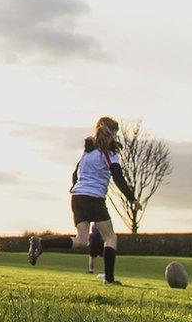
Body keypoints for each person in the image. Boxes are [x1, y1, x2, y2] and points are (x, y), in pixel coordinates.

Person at [70, 116, 137, 285]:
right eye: (115, 133)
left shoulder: (87, 151)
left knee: (81, 240)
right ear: (111, 133)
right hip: (94, 198)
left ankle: (41, 244)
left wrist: (75, 188)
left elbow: (75, 173)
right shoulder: (110, 153)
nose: (115, 137)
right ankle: (109, 279)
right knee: (111, 237)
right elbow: (118, 177)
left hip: (77, 197)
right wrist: (132, 198)